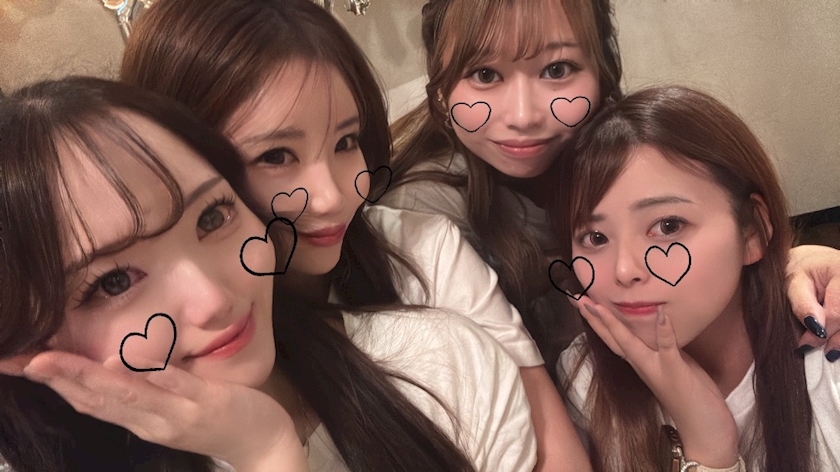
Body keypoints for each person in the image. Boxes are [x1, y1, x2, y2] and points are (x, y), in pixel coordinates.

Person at [120, 0, 586, 469]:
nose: (331, 197)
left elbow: (554, 449)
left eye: (345, 142)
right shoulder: (158, 346)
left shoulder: (421, 249)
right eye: (276, 157)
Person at [0, 77, 536, 471]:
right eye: (114, 281)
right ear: (25, 342)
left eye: (213, 217)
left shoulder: (438, 366)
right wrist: (265, 452)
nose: (213, 299)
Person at [384, 0, 840, 373]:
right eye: (484, 74)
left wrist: (788, 267)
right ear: (440, 87)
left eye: (557, 69)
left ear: (602, 71)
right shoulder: (423, 214)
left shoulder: (617, 149)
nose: (522, 115)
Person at [555, 86, 839, 471]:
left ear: (752, 231)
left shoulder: (827, 360)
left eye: (668, 226)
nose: (623, 270)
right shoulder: (587, 378)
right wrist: (709, 447)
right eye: (595, 238)